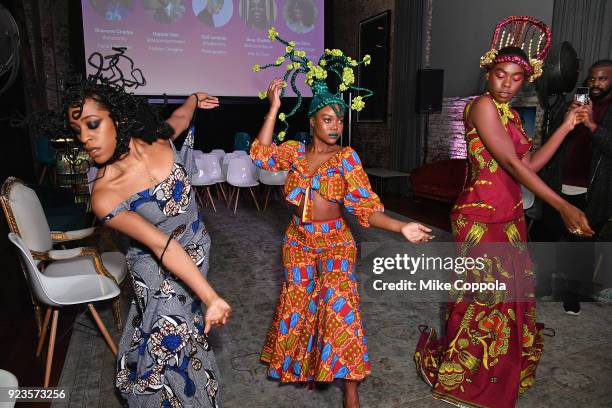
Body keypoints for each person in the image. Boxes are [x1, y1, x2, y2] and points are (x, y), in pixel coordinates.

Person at [414, 16, 593, 408]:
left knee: (511, 295)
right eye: (500, 74)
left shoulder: (512, 116)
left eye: (516, 77)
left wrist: (565, 126)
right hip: (478, 216)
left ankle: (500, 366)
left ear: (525, 80)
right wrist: (562, 204)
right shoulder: (481, 107)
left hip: (509, 215)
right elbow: (511, 166)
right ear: (488, 74)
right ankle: (468, 373)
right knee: (483, 297)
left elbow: (528, 167)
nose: (507, 83)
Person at [250, 29, 433, 408]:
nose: (336, 126)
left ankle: (351, 389)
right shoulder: (295, 154)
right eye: (329, 119)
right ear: (313, 121)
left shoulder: (347, 158)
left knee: (339, 311)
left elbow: (365, 208)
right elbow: (259, 154)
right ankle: (308, 366)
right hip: (297, 240)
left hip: (336, 241)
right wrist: (273, 107)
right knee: (299, 303)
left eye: (340, 120)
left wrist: (402, 226)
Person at [54, 49, 231, 407]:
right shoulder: (104, 193)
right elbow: (162, 245)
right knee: (171, 339)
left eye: (92, 124)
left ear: (116, 118)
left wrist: (194, 99)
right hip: (157, 265)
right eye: (78, 130)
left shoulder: (157, 136)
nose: (85, 138)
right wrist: (210, 295)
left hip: (197, 249)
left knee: (181, 331)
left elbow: (181, 116)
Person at [539, 59, 612, 313]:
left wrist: (592, 125)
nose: (595, 83)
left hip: (592, 193)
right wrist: (566, 119)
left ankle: (572, 297)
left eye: (602, 78)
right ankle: (545, 287)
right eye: (592, 79)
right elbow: (550, 141)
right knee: (549, 237)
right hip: (558, 185)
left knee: (579, 248)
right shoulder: (574, 102)